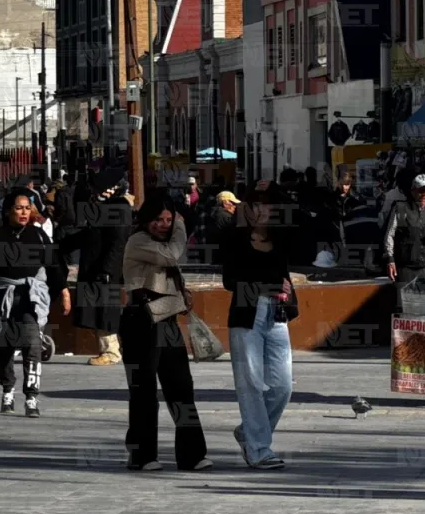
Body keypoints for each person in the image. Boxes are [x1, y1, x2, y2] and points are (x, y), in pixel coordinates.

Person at [120, 197, 211, 472]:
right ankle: (142, 455)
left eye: (169, 220)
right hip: (141, 322)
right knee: (144, 392)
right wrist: (181, 226)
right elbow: (172, 255)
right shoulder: (138, 241)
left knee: (182, 388)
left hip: (167, 321)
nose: (163, 225)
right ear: (146, 220)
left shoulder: (163, 241)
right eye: (158, 220)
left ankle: (192, 455)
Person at [0, 189, 71, 418]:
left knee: (32, 345)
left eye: (28, 208)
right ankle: (7, 391)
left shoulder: (38, 235)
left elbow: (54, 265)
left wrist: (64, 291)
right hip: (4, 297)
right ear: (8, 211)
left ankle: (31, 396)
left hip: (31, 297)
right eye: (19, 208)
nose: (24, 213)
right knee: (5, 347)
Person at [223, 185, 296, 470]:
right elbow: (230, 280)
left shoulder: (280, 237)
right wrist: (266, 284)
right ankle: (258, 449)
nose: (263, 210)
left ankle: (248, 432)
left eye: (268, 205)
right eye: (257, 205)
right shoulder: (235, 237)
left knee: (282, 386)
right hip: (247, 315)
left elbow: (298, 211)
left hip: (277, 315)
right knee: (251, 384)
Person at [62, 168, 130, 367]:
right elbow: (90, 234)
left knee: (105, 310)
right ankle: (108, 349)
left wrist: (108, 270)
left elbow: (118, 242)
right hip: (95, 267)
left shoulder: (119, 207)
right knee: (96, 309)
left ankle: (111, 352)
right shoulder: (103, 206)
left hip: (105, 270)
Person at [383, 173, 425, 292]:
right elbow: (389, 235)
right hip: (406, 269)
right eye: (421, 190)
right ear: (413, 191)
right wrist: (390, 260)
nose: (424, 194)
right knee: (405, 301)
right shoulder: (400, 209)